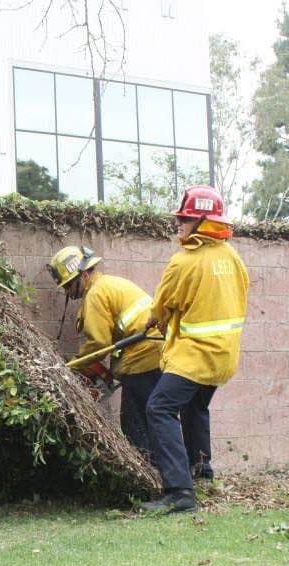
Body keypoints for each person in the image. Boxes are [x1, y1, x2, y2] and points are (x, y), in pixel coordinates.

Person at [140, 185, 249, 514]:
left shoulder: (183, 262)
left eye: (186, 219)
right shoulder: (232, 257)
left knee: (158, 408)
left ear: (203, 223)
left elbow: (162, 306)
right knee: (195, 408)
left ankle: (180, 492)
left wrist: (153, 321)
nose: (179, 224)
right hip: (224, 358)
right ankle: (202, 474)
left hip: (194, 356)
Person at [47, 246, 163, 457]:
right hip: (155, 353)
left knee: (135, 425)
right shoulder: (110, 283)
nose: (67, 292)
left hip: (142, 358)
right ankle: (163, 472)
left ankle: (152, 474)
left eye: (68, 286)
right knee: (152, 418)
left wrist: (74, 365)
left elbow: (99, 343)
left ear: (83, 275)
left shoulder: (95, 294)